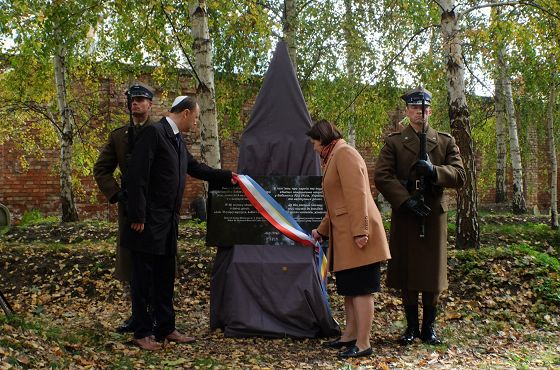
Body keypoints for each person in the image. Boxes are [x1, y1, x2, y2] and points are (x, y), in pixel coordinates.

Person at [126, 95, 237, 351]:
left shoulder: (176, 138)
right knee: (144, 279)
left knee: (165, 277)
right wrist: (138, 216)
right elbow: (137, 177)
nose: (196, 123)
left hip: (167, 222)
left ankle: (165, 327)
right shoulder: (154, 133)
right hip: (147, 222)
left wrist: (227, 176)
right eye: (196, 117)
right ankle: (142, 332)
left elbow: (195, 168)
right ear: (185, 113)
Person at [373, 86, 465, 345]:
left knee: (432, 273)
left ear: (430, 111)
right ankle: (411, 327)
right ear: (407, 111)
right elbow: (382, 175)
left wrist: (434, 171)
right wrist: (405, 200)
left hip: (433, 213)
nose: (420, 112)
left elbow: (460, 175)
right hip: (407, 214)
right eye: (415, 108)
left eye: (424, 108)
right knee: (409, 271)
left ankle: (429, 328)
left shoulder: (445, 141)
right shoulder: (394, 142)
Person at [308, 120, 391, 359]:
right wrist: (321, 231)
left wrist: (361, 231)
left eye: (314, 142)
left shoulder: (344, 154)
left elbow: (357, 195)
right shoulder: (333, 156)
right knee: (350, 289)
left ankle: (363, 343)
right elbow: (337, 203)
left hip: (357, 235)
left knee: (362, 289)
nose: (313, 148)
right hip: (345, 236)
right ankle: (349, 336)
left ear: (323, 138)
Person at [93, 82, 155, 333]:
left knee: (155, 263)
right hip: (129, 210)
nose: (135, 103)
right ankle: (137, 316)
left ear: (150, 104)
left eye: (140, 99)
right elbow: (101, 168)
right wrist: (117, 194)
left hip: (154, 210)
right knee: (131, 264)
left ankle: (156, 316)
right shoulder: (119, 136)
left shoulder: (160, 132)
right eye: (132, 99)